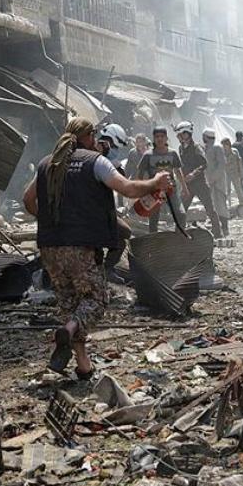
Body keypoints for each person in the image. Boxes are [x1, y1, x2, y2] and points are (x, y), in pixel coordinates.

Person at [24, 118, 172, 378]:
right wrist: (154, 182)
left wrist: (50, 221)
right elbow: (127, 189)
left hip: (50, 247)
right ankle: (69, 332)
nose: (96, 141)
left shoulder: (47, 163)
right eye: (93, 135)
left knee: (71, 304)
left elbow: (28, 200)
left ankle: (83, 364)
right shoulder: (95, 162)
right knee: (96, 300)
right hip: (80, 247)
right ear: (85, 137)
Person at [96, 124, 134, 283]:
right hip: (89, 209)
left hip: (102, 209)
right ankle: (101, 270)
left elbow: (123, 184)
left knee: (124, 232)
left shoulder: (112, 163)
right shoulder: (94, 156)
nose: (115, 151)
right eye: (114, 147)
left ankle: (107, 268)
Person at [175, 121, 222, 237]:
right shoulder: (181, 148)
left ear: (188, 134)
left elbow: (204, 164)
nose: (180, 137)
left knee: (210, 209)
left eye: (182, 134)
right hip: (188, 185)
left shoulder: (197, 147)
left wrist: (193, 174)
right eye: (179, 135)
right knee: (181, 210)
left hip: (200, 184)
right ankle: (178, 233)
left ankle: (217, 233)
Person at [138, 125, 189, 233]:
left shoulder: (173, 153)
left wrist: (184, 187)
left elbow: (178, 171)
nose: (160, 139)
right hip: (154, 191)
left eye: (162, 136)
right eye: (157, 137)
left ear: (166, 138)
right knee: (153, 219)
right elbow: (140, 174)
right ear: (153, 138)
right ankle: (154, 243)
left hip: (171, 190)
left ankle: (179, 238)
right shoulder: (148, 155)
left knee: (181, 214)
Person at [203, 128, 230, 237]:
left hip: (218, 182)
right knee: (212, 206)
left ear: (206, 137)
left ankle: (225, 227)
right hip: (209, 181)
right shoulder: (206, 148)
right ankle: (216, 228)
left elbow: (222, 165)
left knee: (221, 205)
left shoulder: (217, 148)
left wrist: (213, 178)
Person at [223, 137, 243, 206]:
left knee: (238, 189)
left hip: (235, 173)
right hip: (226, 174)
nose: (224, 147)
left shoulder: (235, 151)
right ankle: (229, 204)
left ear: (228, 144)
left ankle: (241, 203)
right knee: (228, 190)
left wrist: (241, 173)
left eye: (225, 145)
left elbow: (239, 162)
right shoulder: (222, 153)